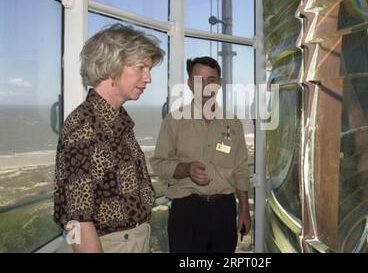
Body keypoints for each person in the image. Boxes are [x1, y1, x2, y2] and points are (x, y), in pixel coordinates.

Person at [53, 23, 165, 253]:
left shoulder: (117, 120)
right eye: (142, 68)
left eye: (149, 69)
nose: (148, 78)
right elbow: (76, 220)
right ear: (111, 67)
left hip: (132, 238)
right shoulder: (84, 126)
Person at [151, 56, 251, 253]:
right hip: (186, 212)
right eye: (199, 80)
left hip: (224, 211)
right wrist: (186, 169)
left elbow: (241, 169)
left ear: (219, 84)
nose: (205, 86)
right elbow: (159, 164)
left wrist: (244, 211)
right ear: (189, 84)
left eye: (211, 80)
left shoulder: (233, 123)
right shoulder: (174, 121)